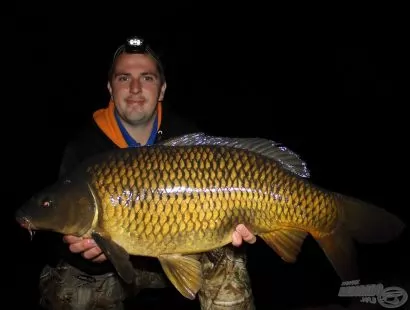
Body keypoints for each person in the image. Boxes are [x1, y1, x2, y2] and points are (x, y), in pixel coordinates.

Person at [38, 35, 257, 310]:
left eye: (147, 78)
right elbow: (60, 241)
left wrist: (243, 218)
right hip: (111, 267)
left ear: (162, 89)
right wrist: (87, 256)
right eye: (124, 78)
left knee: (228, 255)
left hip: (187, 248)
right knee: (69, 283)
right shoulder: (84, 149)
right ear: (110, 87)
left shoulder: (185, 134)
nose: (135, 88)